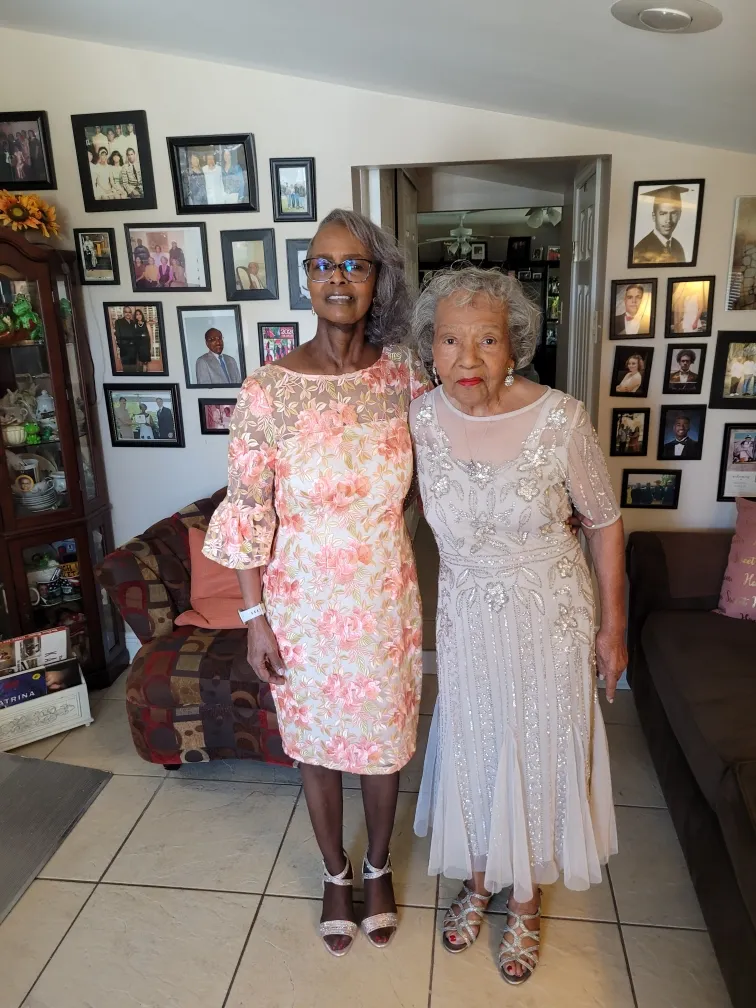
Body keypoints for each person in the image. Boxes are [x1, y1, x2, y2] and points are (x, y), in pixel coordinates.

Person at [203, 208, 433, 957]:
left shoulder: (405, 378)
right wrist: (255, 617)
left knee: (384, 743)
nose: (338, 278)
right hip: (300, 606)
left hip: (383, 600)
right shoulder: (267, 390)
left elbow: (436, 477)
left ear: (377, 279)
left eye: (354, 265)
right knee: (318, 748)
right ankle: (335, 872)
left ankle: (376, 866)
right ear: (306, 280)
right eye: (322, 265)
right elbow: (246, 510)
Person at [409, 266, 625, 984]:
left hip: (549, 610)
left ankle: (526, 898)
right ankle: (477, 880)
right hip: (466, 614)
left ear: (516, 345)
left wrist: (613, 629)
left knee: (536, 745)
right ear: (430, 348)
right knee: (474, 742)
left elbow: (604, 522)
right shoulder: (417, 419)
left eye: (488, 339)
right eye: (450, 340)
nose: (467, 360)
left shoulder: (561, 417)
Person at [632, 184, 689, 264]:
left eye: (673, 213)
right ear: (654, 216)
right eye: (663, 213)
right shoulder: (641, 250)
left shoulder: (678, 247)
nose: (668, 220)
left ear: (680, 215)